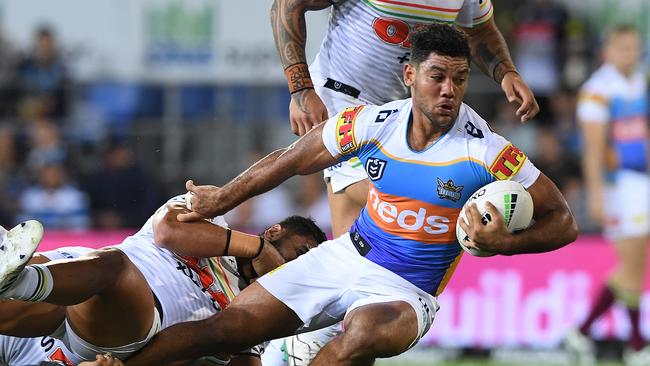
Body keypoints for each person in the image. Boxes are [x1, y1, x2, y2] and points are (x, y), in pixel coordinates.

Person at [105, 24, 576, 366]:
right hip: (346, 256)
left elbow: (564, 222)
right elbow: (290, 160)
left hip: (407, 292)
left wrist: (504, 245)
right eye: (437, 76)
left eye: (459, 78)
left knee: (359, 338)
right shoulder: (373, 123)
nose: (449, 90)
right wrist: (220, 199)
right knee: (223, 330)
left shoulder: (487, 150)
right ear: (409, 76)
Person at [273, 1, 540, 358]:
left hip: (410, 111)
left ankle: (310, 341)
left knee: (366, 293)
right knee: (420, 199)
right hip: (345, 102)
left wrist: (506, 72)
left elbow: (480, 28)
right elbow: (287, 5)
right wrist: (301, 88)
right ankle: (302, 341)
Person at [0, 195, 326, 364]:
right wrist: (255, 247)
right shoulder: (213, 216)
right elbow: (168, 230)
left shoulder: (255, 309)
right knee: (58, 267)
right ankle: (16, 280)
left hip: (123, 325)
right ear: (273, 232)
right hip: (76, 272)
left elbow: (195, 352)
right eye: (299, 253)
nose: (294, 267)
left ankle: (18, 282)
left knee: (115, 269)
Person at [563, 24, 650, 366]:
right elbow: (594, 149)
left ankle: (599, 334)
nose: (631, 54)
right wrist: (597, 194)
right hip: (618, 186)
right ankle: (633, 342)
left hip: (639, 181)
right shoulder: (597, 90)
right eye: (624, 48)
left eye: (635, 48)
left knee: (635, 265)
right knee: (631, 266)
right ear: (607, 52)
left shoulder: (638, 81)